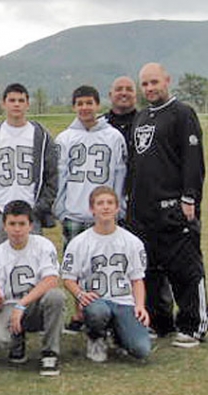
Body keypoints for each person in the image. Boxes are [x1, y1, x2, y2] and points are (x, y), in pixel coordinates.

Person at [127, 63, 207, 347]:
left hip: (173, 206)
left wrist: (190, 198)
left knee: (184, 268)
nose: (149, 88)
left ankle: (193, 325)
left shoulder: (182, 113)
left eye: (154, 82)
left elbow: (193, 159)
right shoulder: (142, 117)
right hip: (142, 210)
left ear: (167, 80)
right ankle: (160, 323)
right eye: (145, 84)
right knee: (149, 270)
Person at [0, 83, 58, 333]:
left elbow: (52, 176)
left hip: (31, 213)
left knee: (35, 264)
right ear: (4, 103)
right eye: (12, 100)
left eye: (21, 100)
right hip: (0, 212)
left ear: (28, 103)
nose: (17, 104)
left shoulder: (41, 135)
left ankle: (35, 312)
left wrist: (40, 208)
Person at [53, 86, 128, 333]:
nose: (85, 107)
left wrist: (119, 205)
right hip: (74, 209)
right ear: (74, 106)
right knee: (76, 267)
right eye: (80, 103)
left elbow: (119, 172)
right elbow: (60, 175)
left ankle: (104, 314)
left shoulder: (114, 136)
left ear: (98, 104)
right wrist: (60, 206)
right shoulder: (65, 138)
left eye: (89, 102)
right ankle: (79, 313)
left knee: (104, 265)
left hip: (104, 212)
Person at [61, 186, 151, 362]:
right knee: (97, 312)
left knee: (141, 350)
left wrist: (140, 305)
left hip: (124, 302)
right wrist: (80, 295)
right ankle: (96, 337)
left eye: (110, 203)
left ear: (117, 208)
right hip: (97, 301)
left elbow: (137, 280)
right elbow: (68, 278)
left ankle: (119, 336)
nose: (105, 207)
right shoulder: (79, 242)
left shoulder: (132, 242)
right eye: (100, 203)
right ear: (92, 209)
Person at [0, 200, 65, 377]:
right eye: (12, 224)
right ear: (4, 226)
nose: (17, 229)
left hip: (36, 305)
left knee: (56, 296)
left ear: (31, 225)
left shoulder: (44, 245)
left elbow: (51, 280)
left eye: (22, 224)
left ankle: (50, 352)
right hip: (10, 307)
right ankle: (16, 340)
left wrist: (22, 304)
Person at [103, 76, 138, 142]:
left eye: (129, 89)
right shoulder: (100, 124)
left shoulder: (145, 123)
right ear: (110, 95)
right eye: (119, 89)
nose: (124, 93)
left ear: (136, 96)